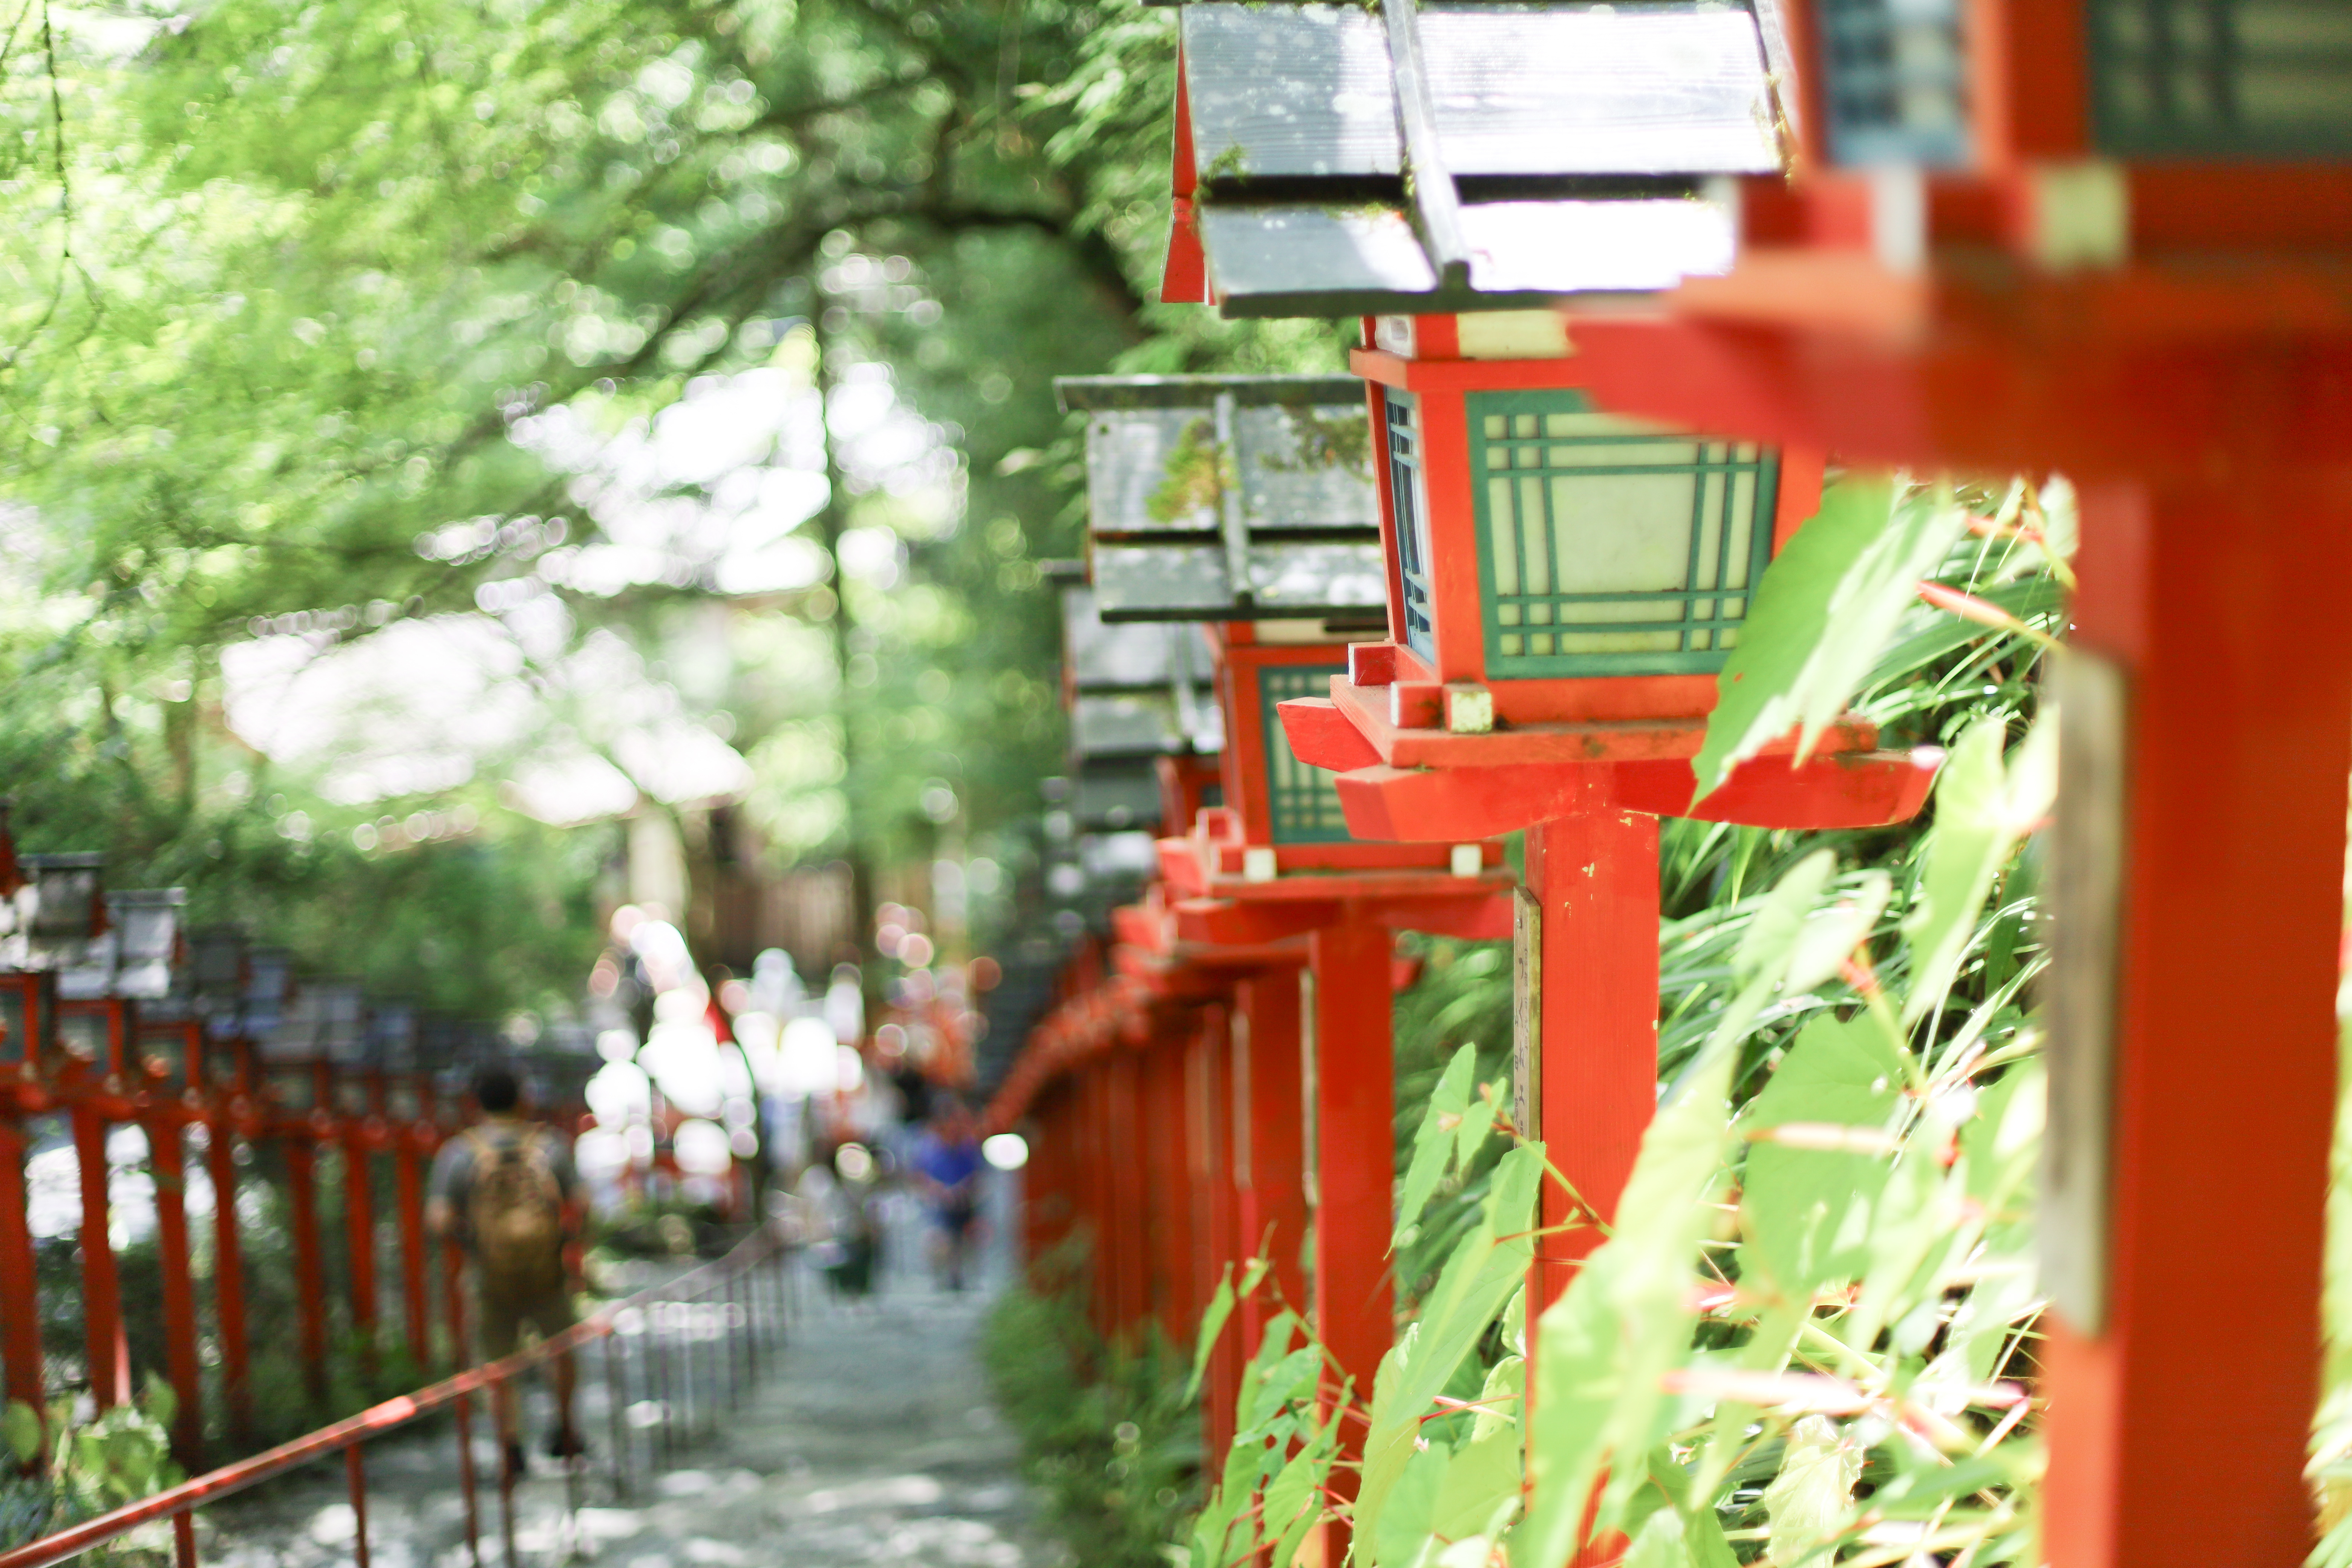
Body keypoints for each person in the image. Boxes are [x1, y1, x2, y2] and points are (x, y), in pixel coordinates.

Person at [427, 1064, 588, 1477]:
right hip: (547, 1272)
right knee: (561, 1350)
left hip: (489, 1277)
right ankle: (565, 1430)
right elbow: (581, 1202)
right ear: (522, 1099)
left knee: (496, 1363)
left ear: (475, 1103)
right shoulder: (550, 1144)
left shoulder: (459, 1152)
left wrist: (476, 1241)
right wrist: (561, 1239)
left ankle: (510, 1445)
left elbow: (440, 1218)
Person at [910, 1099, 985, 1292]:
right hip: (936, 1208)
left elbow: (978, 1176)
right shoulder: (928, 1148)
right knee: (939, 1240)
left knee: (967, 1239)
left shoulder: (969, 1148)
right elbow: (919, 1177)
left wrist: (962, 1190)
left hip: (965, 1206)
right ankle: (940, 1278)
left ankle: (961, 1276)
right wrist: (940, 1191)